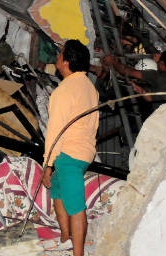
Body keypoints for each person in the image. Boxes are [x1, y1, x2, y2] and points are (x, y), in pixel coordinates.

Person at [42, 40, 99, 256]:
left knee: (76, 206)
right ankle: (65, 238)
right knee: (57, 189)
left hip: (70, 154)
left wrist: (47, 164)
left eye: (60, 54)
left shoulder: (64, 90)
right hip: (83, 152)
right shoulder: (89, 88)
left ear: (66, 62)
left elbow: (55, 130)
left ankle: (78, 253)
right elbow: (94, 123)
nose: (57, 57)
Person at [102, 50, 166, 102]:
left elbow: (126, 71)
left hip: (157, 117)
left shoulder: (156, 75)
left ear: (162, 63)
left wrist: (112, 61)